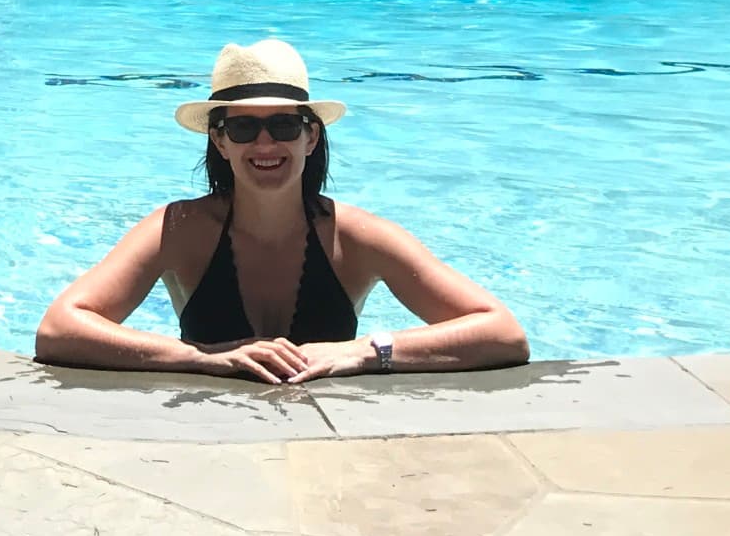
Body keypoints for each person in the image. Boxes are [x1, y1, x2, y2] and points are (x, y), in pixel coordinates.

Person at [34, 38, 529, 382]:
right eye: (244, 129)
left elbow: (502, 331)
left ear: (311, 136)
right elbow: (60, 328)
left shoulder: (356, 238)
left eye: (284, 126)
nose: (265, 143)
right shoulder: (180, 230)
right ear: (219, 140)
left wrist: (362, 353)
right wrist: (203, 357)